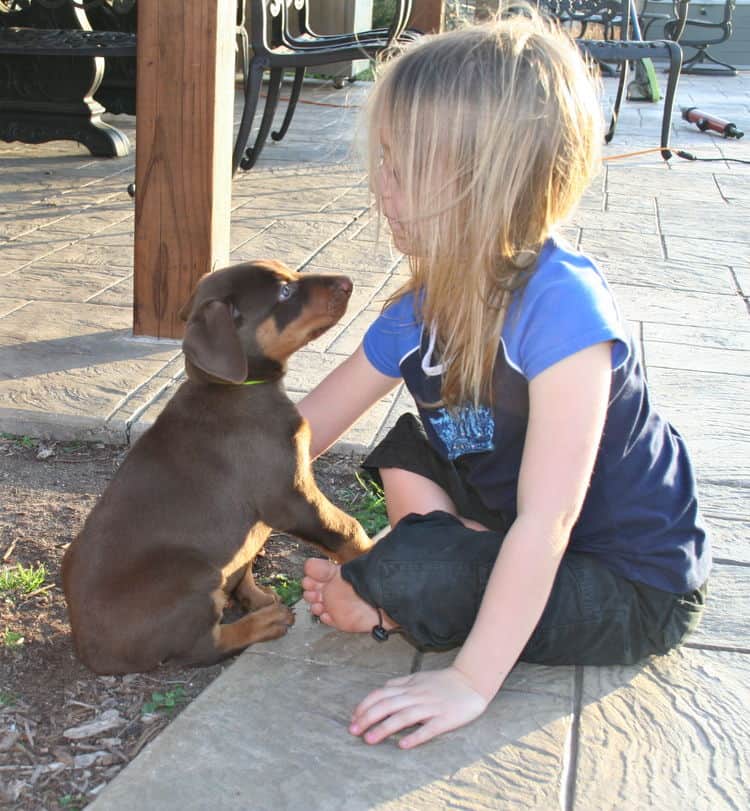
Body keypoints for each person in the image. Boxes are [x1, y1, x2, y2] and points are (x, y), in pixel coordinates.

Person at [298, 8, 711, 751]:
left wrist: (469, 680)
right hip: (505, 506)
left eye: (402, 168)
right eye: (381, 163)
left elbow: (550, 521)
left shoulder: (562, 310)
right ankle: (445, 554)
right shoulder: (417, 309)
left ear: (488, 181)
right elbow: (300, 434)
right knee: (404, 446)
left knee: (413, 574)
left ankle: (407, 588)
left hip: (624, 580)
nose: (379, 188)